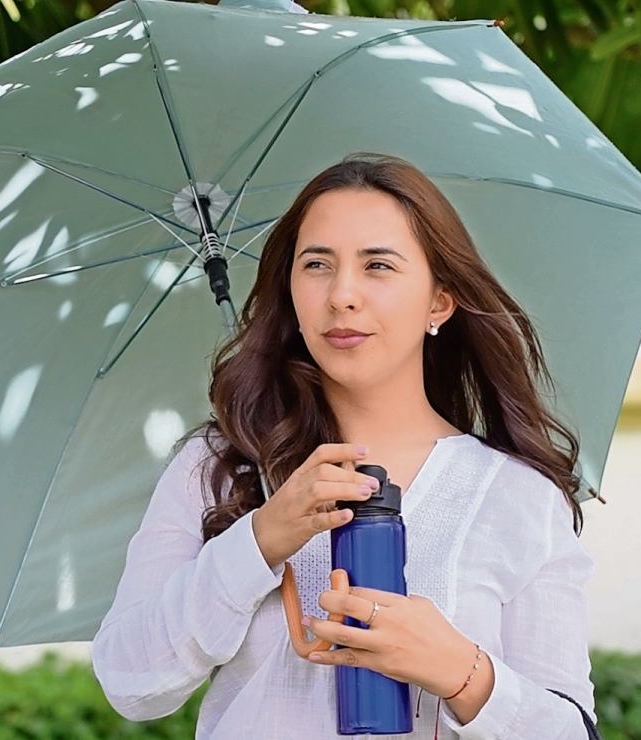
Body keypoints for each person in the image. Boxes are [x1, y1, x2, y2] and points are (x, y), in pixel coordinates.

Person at [91, 152, 599, 738]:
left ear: (439, 301)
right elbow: (129, 682)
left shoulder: (517, 496)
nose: (342, 295)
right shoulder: (221, 466)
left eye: (378, 265)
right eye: (317, 265)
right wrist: (258, 540)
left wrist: (460, 671)